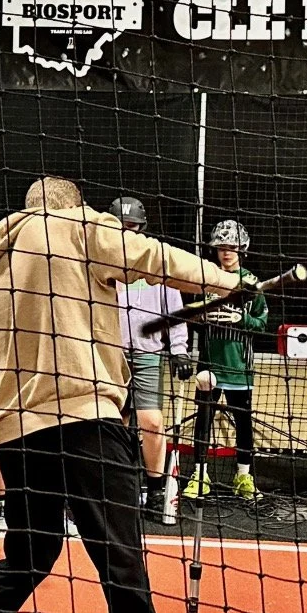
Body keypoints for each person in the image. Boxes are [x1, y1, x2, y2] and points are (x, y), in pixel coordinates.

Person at [0, 176, 248, 613]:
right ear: (73, 208)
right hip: (88, 425)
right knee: (123, 571)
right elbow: (154, 258)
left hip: (18, 440)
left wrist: (12, 397)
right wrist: (229, 282)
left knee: (27, 559)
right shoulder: (76, 226)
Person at [109, 197, 194, 521]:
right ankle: (115, 486)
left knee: (152, 421)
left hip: (147, 352)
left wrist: (180, 350)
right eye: (121, 228)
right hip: (109, 355)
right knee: (113, 424)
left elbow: (175, 313)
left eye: (132, 228)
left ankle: (155, 488)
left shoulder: (155, 265)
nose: (127, 233)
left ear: (141, 229)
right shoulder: (103, 265)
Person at [183, 220, 269, 502]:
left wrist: (241, 319)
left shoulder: (252, 283)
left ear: (241, 249)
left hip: (239, 367)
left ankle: (243, 476)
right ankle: (200, 474)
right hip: (209, 364)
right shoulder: (207, 278)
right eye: (221, 247)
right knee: (203, 419)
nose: (226, 252)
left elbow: (262, 324)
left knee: (243, 422)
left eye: (231, 247)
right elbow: (190, 315)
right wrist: (199, 317)